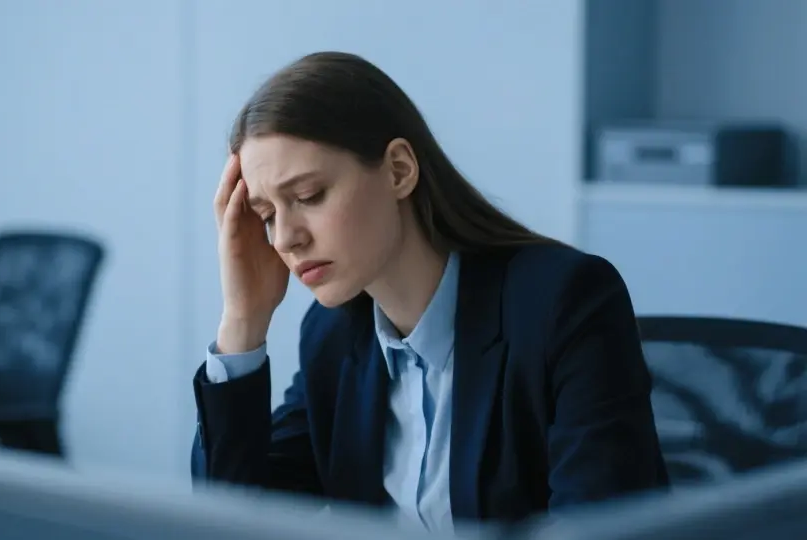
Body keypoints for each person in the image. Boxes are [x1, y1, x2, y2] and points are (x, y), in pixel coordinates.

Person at [191, 51, 669, 531]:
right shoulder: (333, 335)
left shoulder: (564, 302)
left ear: (399, 170)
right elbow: (233, 517)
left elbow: (598, 528)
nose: (284, 238)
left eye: (308, 196)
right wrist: (243, 320)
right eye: (267, 215)